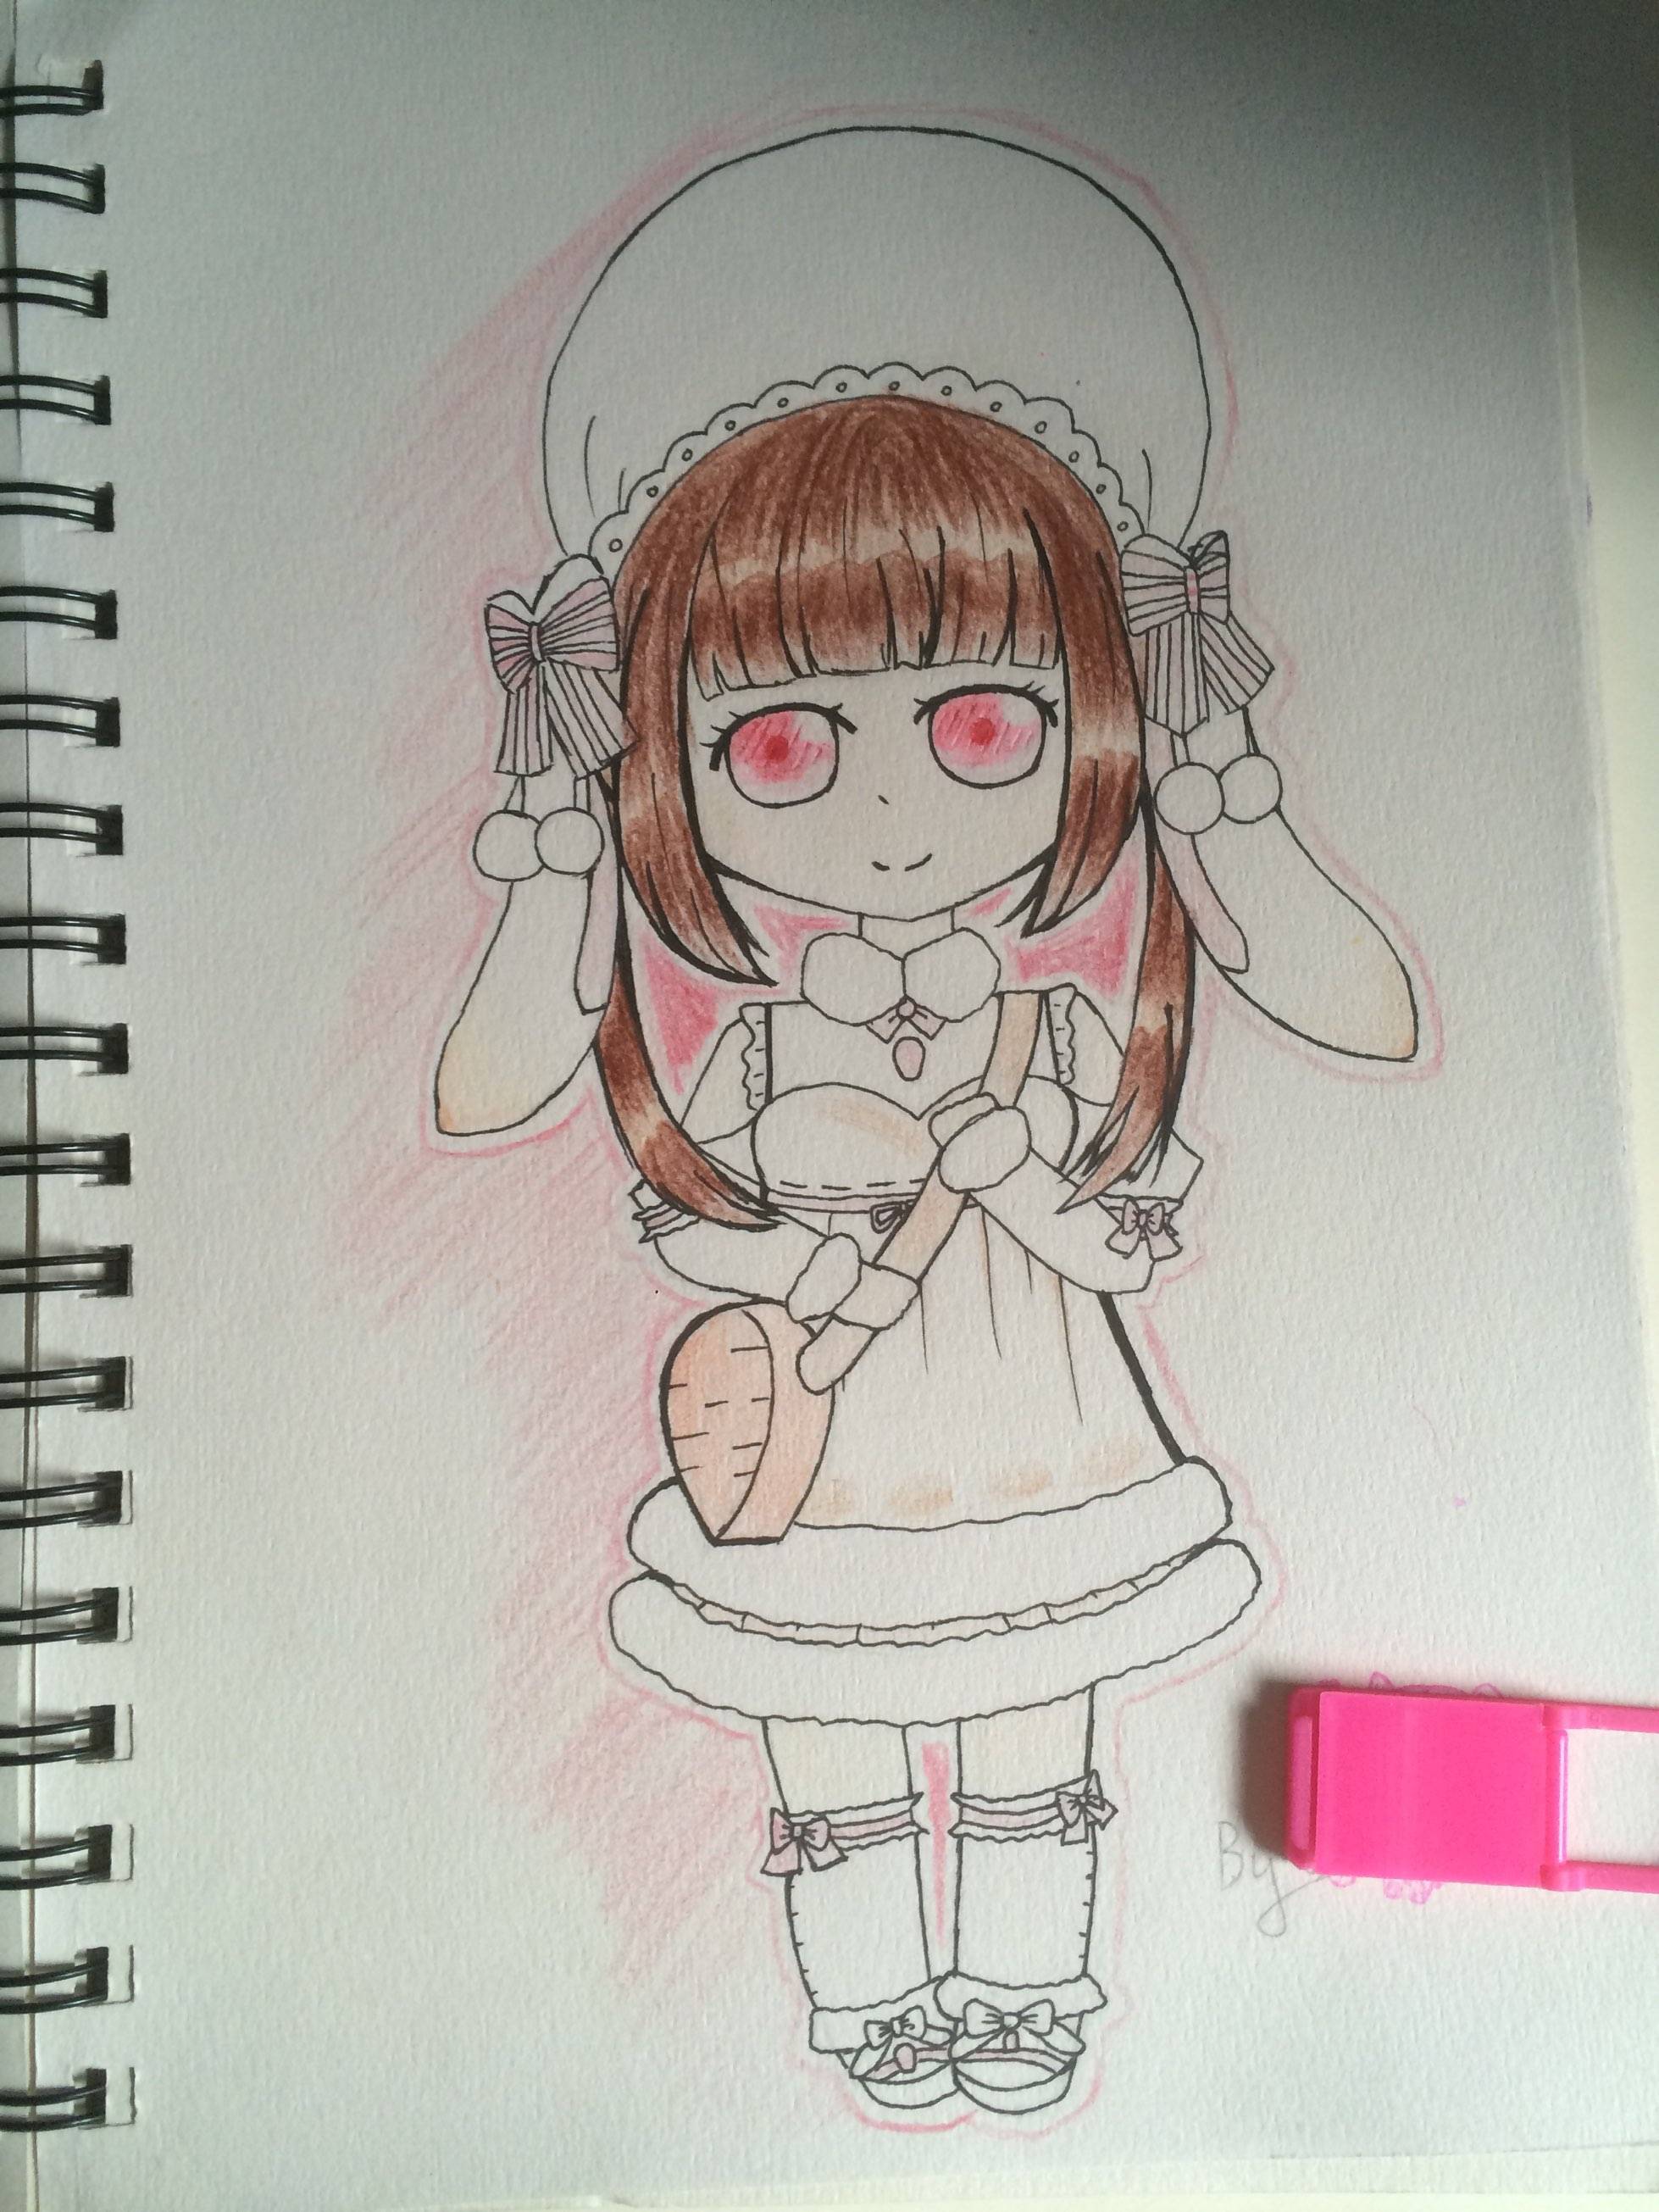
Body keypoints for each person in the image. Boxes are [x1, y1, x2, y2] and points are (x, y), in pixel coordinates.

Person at [436, 128, 1416, 2119]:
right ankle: (868, 1989)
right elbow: (497, 1093)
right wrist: (558, 879)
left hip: (1033, 1415)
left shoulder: (1050, 1024)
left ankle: (1032, 1975)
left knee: (1036, 1706)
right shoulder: (751, 1045)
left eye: (979, 724)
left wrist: (1220, 805)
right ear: (661, 751)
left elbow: (1359, 1013)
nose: (891, 810)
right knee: (828, 1724)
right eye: (781, 745)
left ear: (1099, 704)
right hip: (827, 1427)